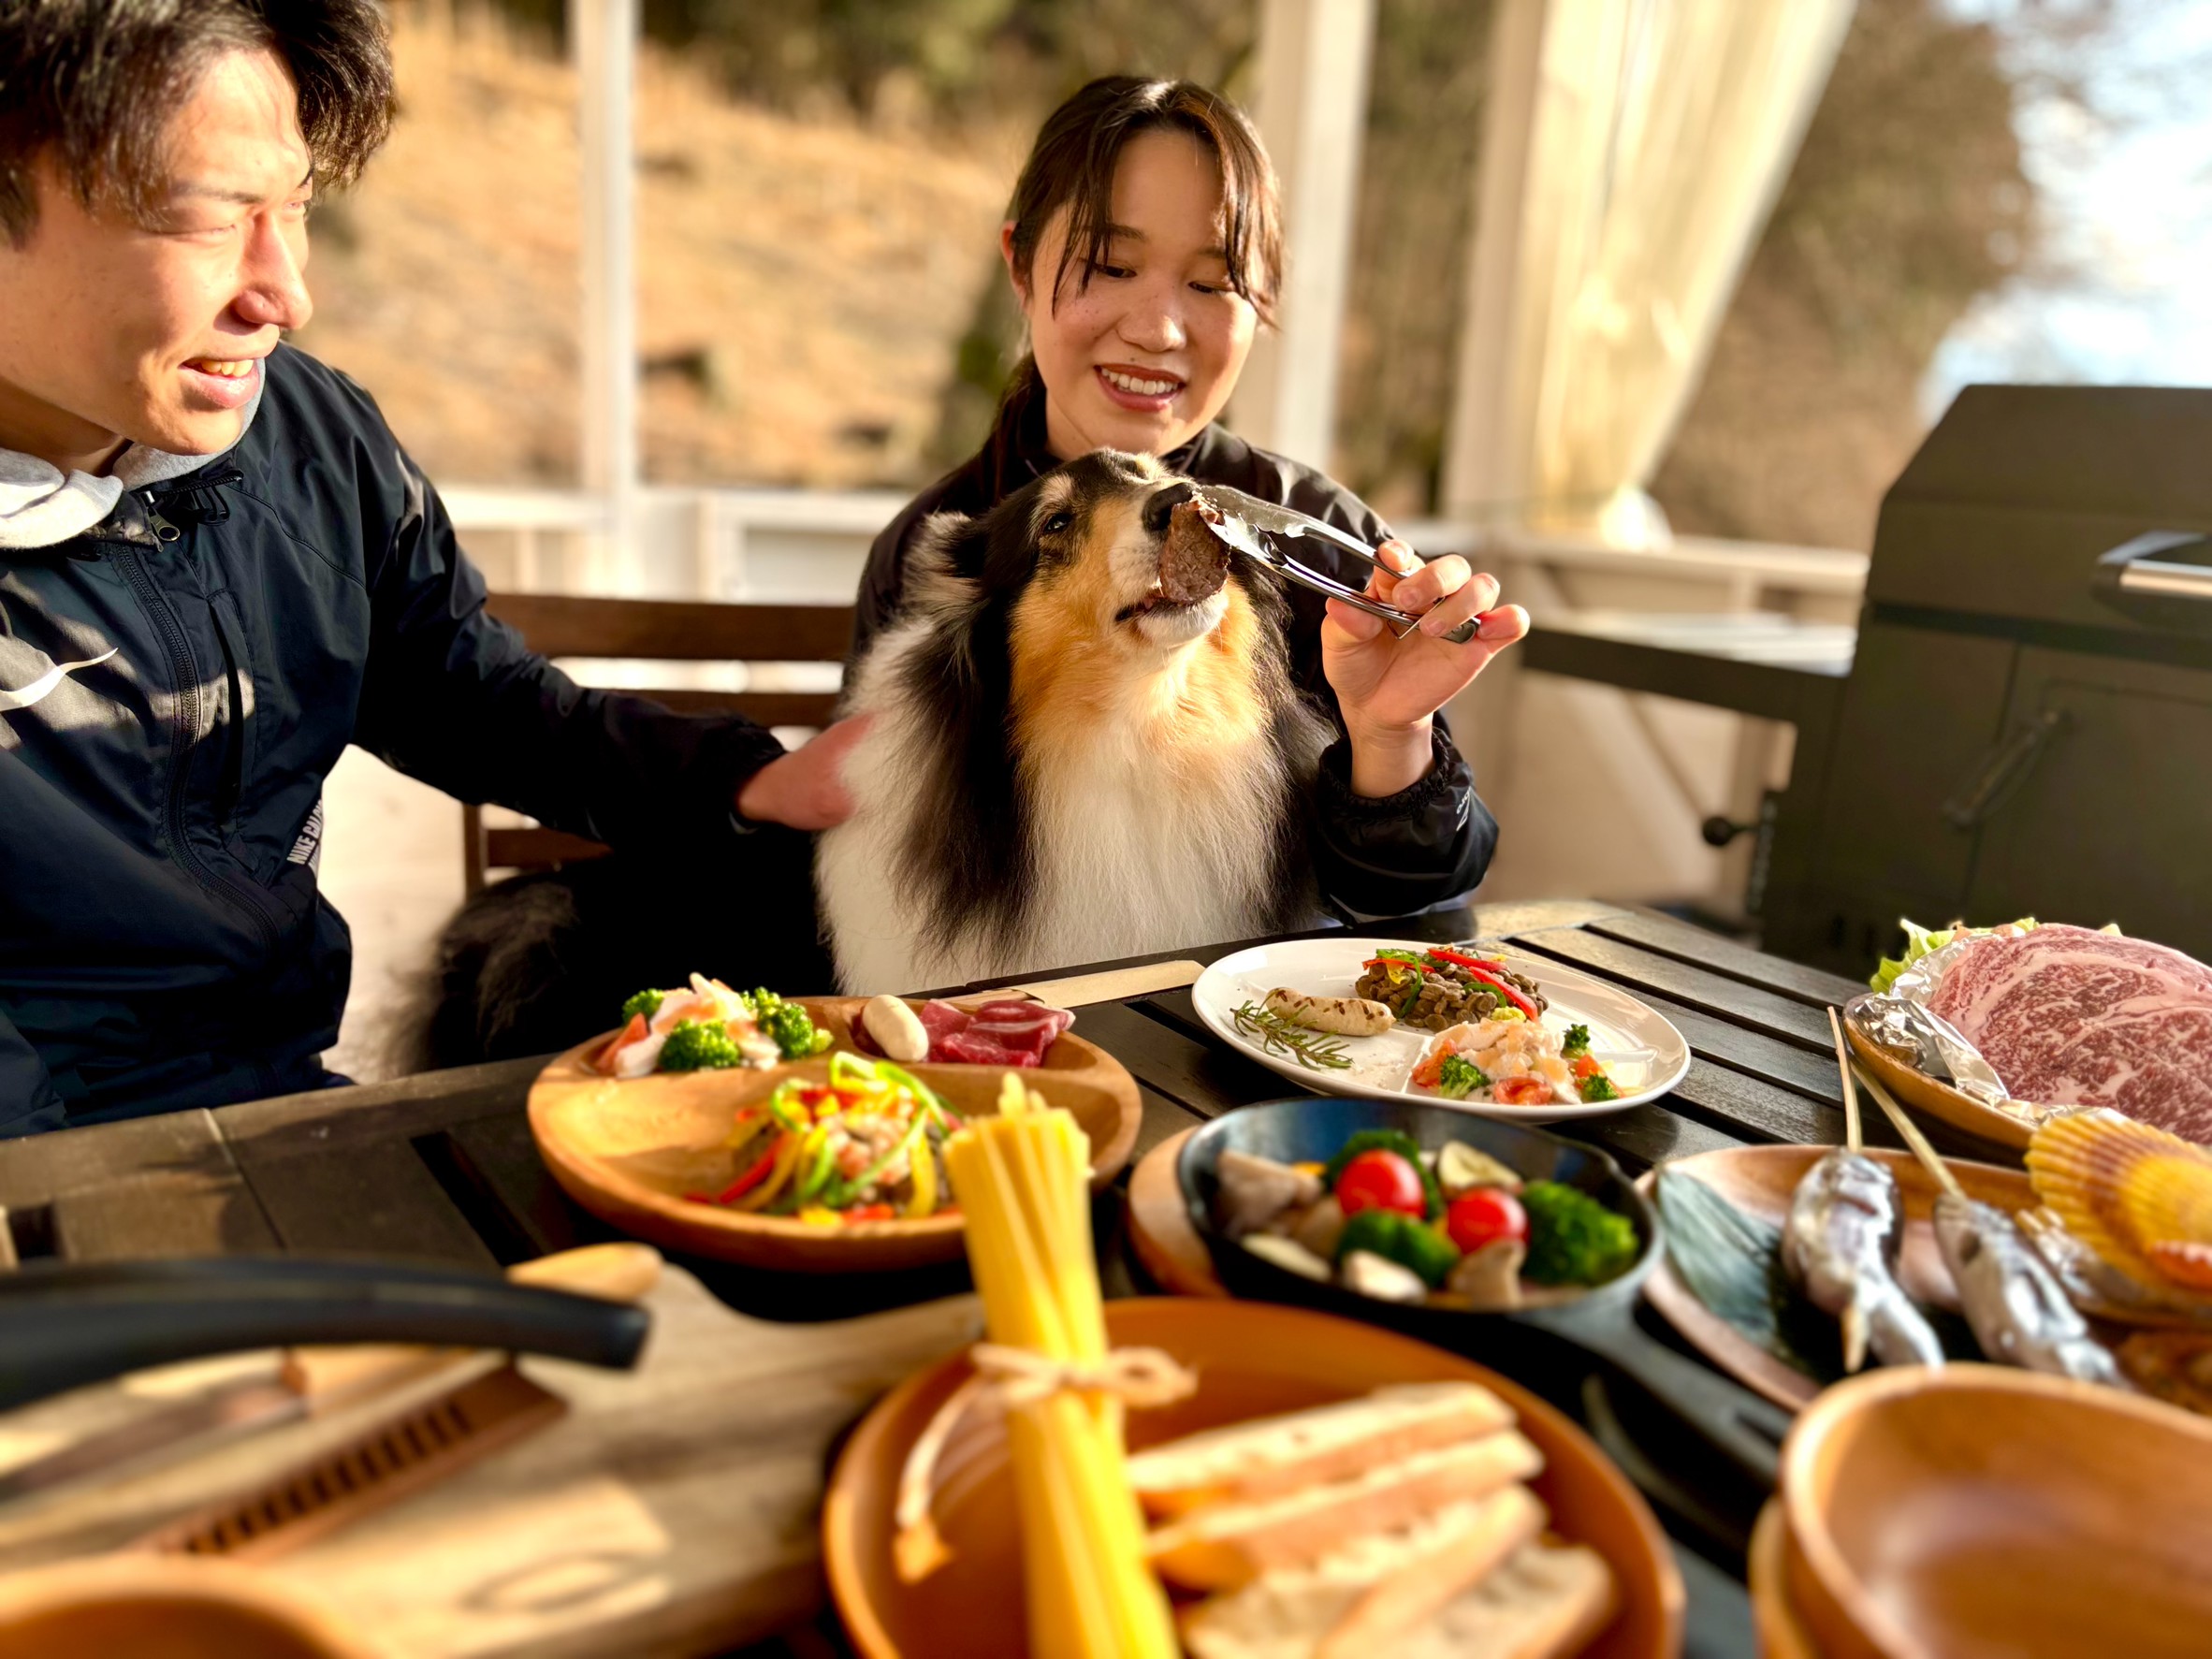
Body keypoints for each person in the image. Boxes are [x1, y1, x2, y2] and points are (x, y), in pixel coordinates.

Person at [0, 0, 862, 1135]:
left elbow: (468, 692)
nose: (283, 295)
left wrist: (735, 782)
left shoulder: (305, 434)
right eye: (210, 221)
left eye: (294, 210)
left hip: (289, 1111)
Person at [854, 77, 1529, 922]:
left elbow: (1421, 899)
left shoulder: (1322, 542)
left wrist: (1391, 737)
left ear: (1264, 306)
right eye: (1110, 264)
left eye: (1213, 284)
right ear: (1020, 267)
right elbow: (893, 858)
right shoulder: (938, 549)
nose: (1160, 328)